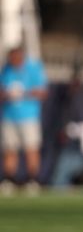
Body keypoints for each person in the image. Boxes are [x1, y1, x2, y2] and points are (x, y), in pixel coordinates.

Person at [0, 44, 47, 195]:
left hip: (28, 116)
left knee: (31, 148)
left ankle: (32, 179)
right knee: (9, 149)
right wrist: (8, 94)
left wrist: (24, 93)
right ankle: (9, 179)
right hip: (9, 116)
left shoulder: (33, 68)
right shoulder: (6, 70)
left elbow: (42, 92)